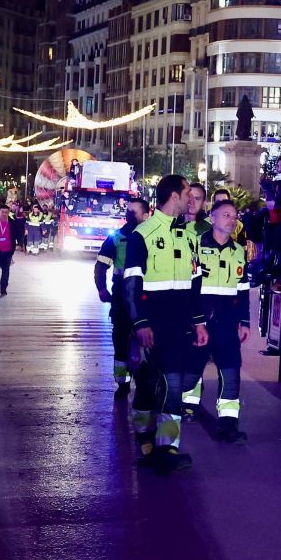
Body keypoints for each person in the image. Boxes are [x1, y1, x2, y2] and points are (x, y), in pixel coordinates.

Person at [122, 174, 208, 473]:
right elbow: (130, 284)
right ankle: (144, 440)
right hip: (151, 324)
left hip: (178, 326)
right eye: (188, 193)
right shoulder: (142, 234)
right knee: (147, 385)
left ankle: (168, 448)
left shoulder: (190, 236)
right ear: (174, 196)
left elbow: (196, 284)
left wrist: (199, 322)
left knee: (173, 385)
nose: (192, 199)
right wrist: (139, 322)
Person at [183, 199, 251, 443]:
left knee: (231, 372)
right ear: (211, 218)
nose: (231, 220)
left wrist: (245, 321)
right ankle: (180, 406)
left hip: (227, 322)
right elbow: (190, 287)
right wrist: (196, 320)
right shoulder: (197, 247)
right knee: (190, 372)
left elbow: (243, 290)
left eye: (234, 216)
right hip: (201, 321)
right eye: (225, 215)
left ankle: (229, 425)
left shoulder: (239, 251)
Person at [94, 192, 151, 395]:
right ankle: (123, 383)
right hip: (120, 296)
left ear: (146, 215)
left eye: (134, 212)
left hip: (146, 296)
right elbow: (101, 265)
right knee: (120, 340)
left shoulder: (152, 238)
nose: (129, 215)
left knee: (148, 342)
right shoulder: (116, 238)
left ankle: (146, 381)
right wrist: (101, 287)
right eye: (128, 211)